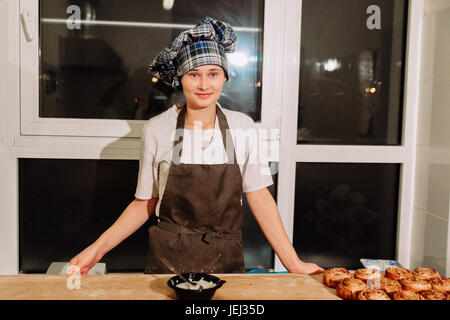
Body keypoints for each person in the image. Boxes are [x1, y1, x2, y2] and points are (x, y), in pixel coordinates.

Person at [68, 17, 324, 275]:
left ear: (225, 76)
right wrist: (96, 250)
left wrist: (293, 263)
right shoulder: (158, 129)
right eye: (194, 75)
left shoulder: (241, 127)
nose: (204, 85)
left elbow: (259, 196)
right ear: (180, 79)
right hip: (167, 265)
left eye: (213, 74)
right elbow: (144, 202)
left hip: (225, 264)